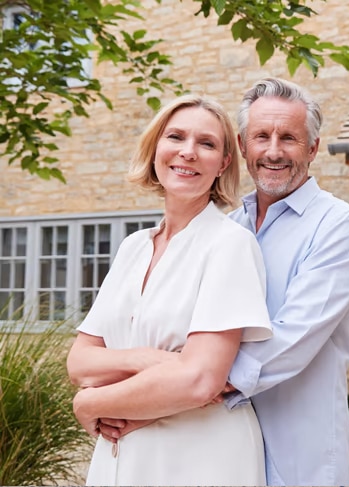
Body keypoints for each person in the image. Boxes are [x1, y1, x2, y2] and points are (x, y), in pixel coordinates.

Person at [66, 94, 272, 486]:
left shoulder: (229, 244)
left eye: (207, 143)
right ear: (156, 148)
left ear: (224, 162)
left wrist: (90, 401)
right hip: (120, 452)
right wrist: (149, 360)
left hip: (202, 455)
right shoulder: (133, 247)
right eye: (175, 137)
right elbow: (80, 362)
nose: (188, 152)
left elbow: (199, 381)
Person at [223, 77, 349, 486]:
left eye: (288, 137)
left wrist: (196, 383)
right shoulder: (228, 229)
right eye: (261, 136)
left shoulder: (338, 225)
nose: (273, 151)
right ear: (242, 145)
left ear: (313, 148)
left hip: (299, 449)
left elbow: (292, 338)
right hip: (223, 440)